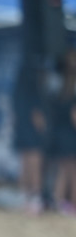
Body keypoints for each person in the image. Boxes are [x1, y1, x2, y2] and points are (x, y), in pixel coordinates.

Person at [12, 62, 49, 215]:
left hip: (23, 130)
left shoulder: (18, 92)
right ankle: (35, 199)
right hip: (32, 134)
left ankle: (24, 198)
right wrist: (44, 130)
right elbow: (38, 119)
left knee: (25, 164)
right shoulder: (35, 92)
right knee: (34, 165)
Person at [50, 49, 76, 216]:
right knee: (73, 172)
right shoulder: (72, 90)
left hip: (59, 134)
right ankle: (73, 204)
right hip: (70, 136)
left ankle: (58, 203)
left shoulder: (58, 86)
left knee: (63, 170)